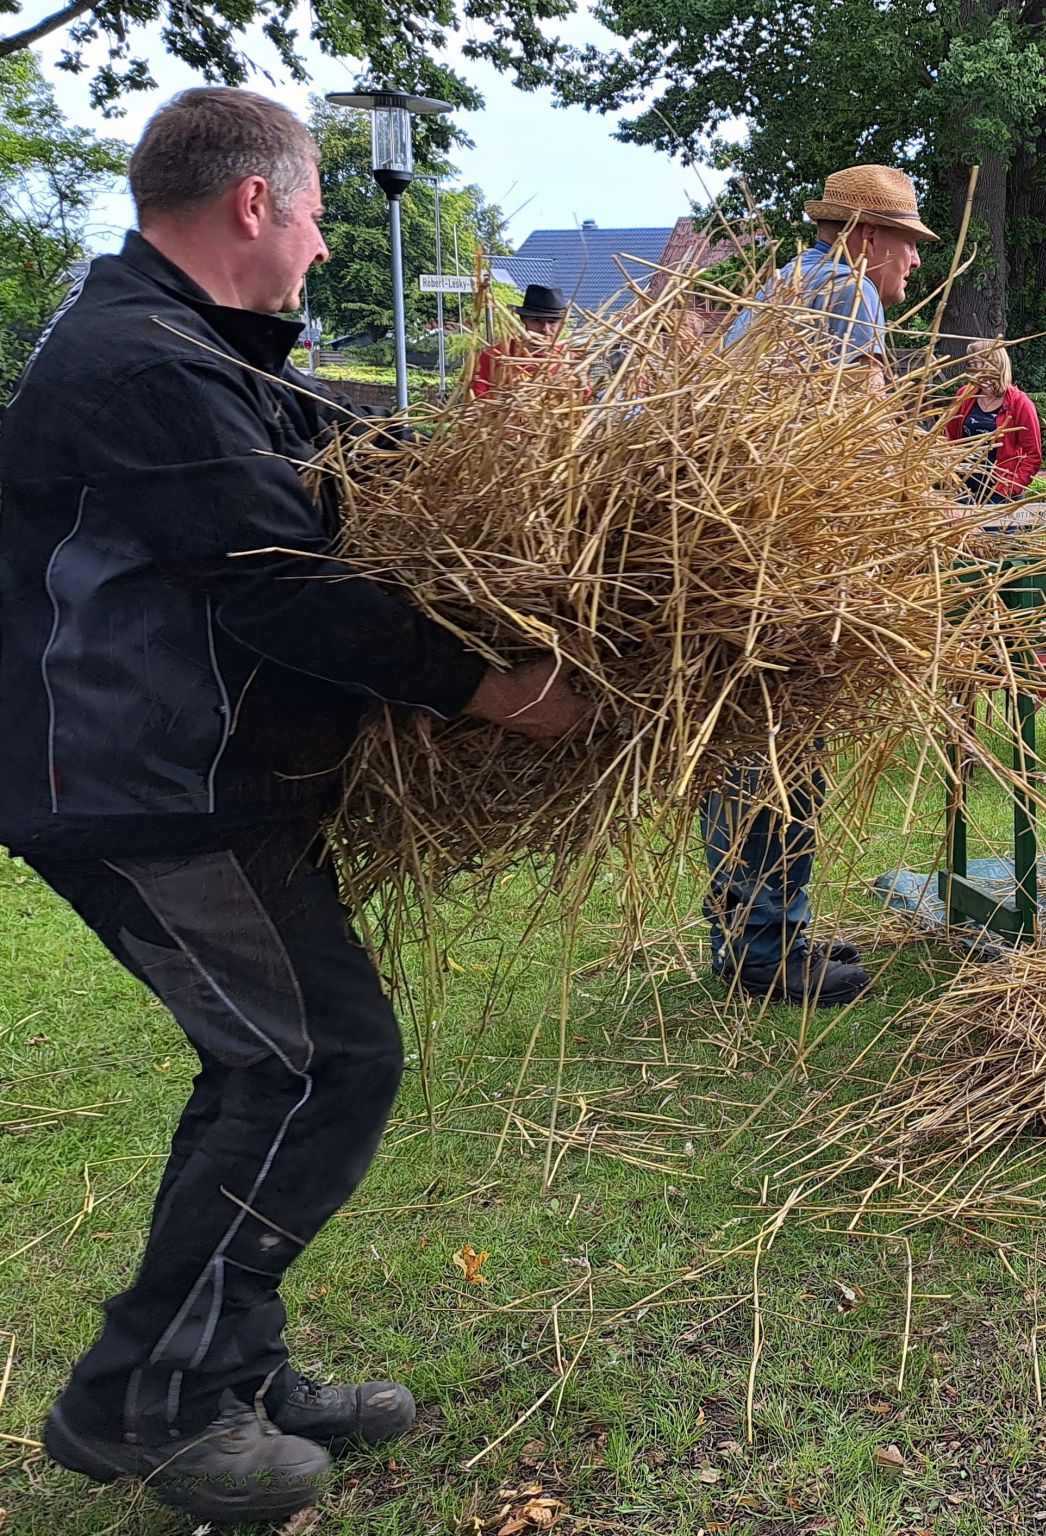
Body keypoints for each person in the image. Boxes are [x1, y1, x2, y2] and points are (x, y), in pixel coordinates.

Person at [0, 88, 591, 1523]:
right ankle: (149, 1399)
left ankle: (227, 1366)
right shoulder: (141, 361)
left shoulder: (185, 346)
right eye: (317, 212)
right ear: (255, 203)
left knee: (275, 1063)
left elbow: (333, 458)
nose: (325, 245)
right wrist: (489, 689)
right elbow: (279, 580)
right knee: (316, 1065)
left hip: (185, 774)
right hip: (141, 787)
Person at [702, 163, 937, 1007]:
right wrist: (927, 511)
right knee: (779, 754)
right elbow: (866, 434)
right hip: (777, 562)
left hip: (738, 548)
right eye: (907, 243)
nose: (915, 263)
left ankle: (764, 931)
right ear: (867, 237)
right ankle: (764, 951)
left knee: (755, 749)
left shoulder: (790, 282)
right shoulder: (847, 290)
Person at [941, 338, 1044, 501]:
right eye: (970, 364)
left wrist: (1010, 488)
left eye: (976, 364)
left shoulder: (1019, 403)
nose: (971, 370)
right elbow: (951, 439)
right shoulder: (964, 395)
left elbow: (1032, 455)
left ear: (994, 365)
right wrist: (952, 476)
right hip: (964, 491)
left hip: (1000, 493)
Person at [470, 283, 570, 398]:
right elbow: (478, 400)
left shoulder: (570, 359)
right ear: (523, 320)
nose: (545, 329)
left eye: (552, 322)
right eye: (536, 320)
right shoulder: (496, 356)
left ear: (562, 324)